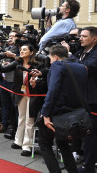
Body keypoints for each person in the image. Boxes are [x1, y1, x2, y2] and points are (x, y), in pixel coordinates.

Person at [38, 45, 89, 173]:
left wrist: (45, 114)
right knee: (63, 144)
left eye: (50, 58)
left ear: (55, 57)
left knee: (45, 145)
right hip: (75, 112)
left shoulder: (57, 65)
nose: (49, 61)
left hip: (57, 112)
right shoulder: (82, 67)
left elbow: (53, 90)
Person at [0, 44, 40, 156]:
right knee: (21, 117)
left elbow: (41, 77)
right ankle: (18, 141)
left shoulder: (36, 64)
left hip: (32, 95)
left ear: (31, 52)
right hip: (20, 93)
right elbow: (3, 68)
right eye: (21, 49)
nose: (22, 51)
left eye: (25, 49)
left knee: (30, 119)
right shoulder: (17, 63)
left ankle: (27, 145)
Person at [66, 26, 97, 172]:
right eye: (81, 36)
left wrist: (69, 54)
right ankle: (80, 155)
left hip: (92, 101)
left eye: (84, 36)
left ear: (94, 38)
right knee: (81, 132)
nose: (80, 38)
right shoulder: (81, 52)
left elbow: (84, 67)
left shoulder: (95, 54)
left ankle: (89, 166)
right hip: (80, 98)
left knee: (90, 134)